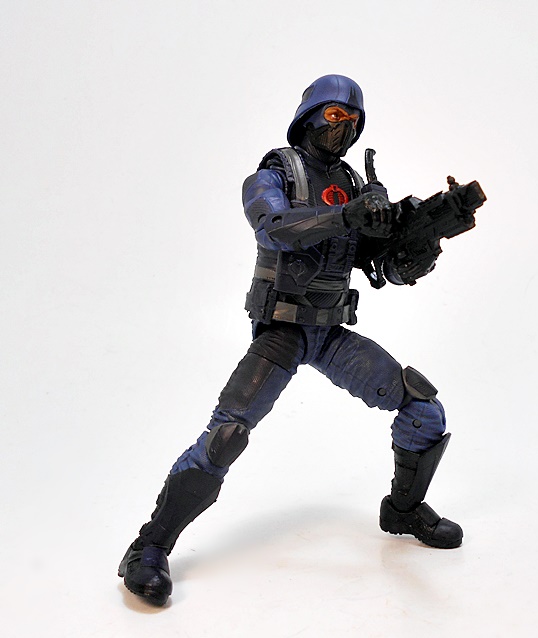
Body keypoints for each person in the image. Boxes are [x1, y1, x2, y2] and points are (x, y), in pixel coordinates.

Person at [118, 74, 463, 607]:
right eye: (335, 115)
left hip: (328, 333)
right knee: (227, 435)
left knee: (423, 410)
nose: (344, 127)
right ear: (309, 116)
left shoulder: (352, 183)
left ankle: (403, 511)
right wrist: (347, 214)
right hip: (282, 330)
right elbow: (273, 227)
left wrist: (417, 246)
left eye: (353, 120)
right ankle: (149, 546)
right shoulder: (276, 172)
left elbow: (379, 267)